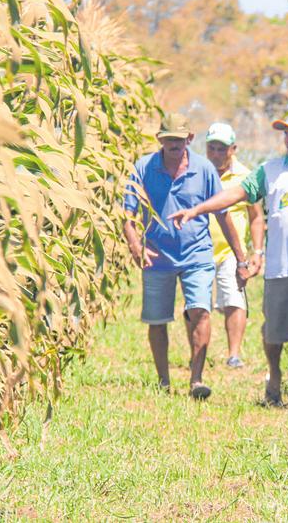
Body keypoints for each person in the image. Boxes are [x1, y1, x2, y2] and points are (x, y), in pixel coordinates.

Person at [168, 110, 288, 409]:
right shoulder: (270, 170)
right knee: (274, 333)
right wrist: (197, 210)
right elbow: (236, 194)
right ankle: (275, 381)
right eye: (286, 134)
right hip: (280, 267)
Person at [122, 113, 251, 400]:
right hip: (157, 256)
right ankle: (163, 380)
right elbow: (127, 215)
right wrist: (135, 245)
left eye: (179, 140)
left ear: (189, 139)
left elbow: (222, 214)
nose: (173, 145)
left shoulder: (204, 169)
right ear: (160, 139)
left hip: (197, 254)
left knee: (200, 312)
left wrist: (240, 258)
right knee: (157, 320)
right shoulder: (144, 168)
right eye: (168, 139)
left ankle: (196, 380)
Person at [204, 123, 265, 368]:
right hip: (201, 248)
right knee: (198, 304)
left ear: (233, 149)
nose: (216, 154)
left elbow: (256, 217)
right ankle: (198, 351)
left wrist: (257, 251)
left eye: (222, 149)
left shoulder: (245, 176)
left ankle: (234, 354)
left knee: (234, 299)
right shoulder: (199, 172)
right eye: (212, 148)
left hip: (232, 249)